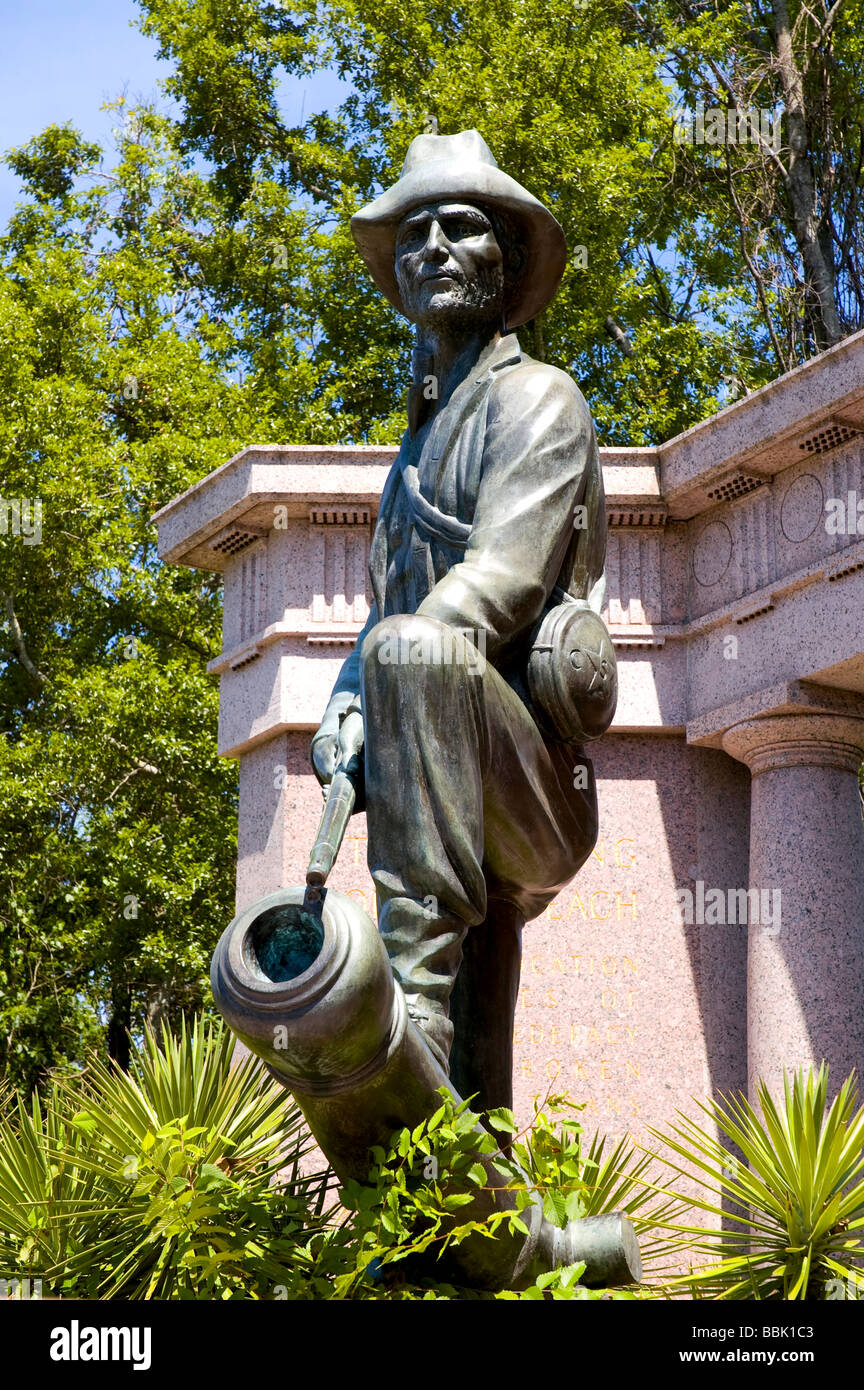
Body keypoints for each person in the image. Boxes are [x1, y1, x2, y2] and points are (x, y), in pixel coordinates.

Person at [310, 129, 614, 1113]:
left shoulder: (541, 402)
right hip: (435, 746)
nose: (434, 245)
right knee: (399, 653)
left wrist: (392, 663)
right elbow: (380, 620)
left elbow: (495, 585)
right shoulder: (406, 462)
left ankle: (412, 1025)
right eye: (415, 233)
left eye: (463, 227)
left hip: (532, 781)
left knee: (418, 648)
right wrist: (346, 711)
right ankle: (471, 1124)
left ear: (508, 259)